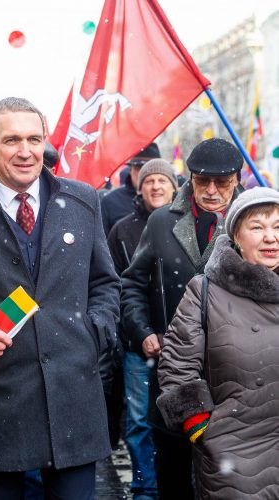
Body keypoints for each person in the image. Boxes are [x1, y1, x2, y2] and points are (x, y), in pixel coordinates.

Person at [0, 97, 121, 499]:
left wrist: (95, 332)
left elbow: (106, 283)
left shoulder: (83, 202)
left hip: (73, 396)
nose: (25, 151)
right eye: (12, 140)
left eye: (34, 139)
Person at [120, 137, 244, 499]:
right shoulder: (161, 221)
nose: (211, 190)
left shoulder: (254, 221)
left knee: (229, 477)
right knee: (173, 472)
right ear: (190, 177)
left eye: (222, 182)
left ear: (237, 179)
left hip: (234, 372)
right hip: (174, 369)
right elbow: (131, 282)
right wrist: (142, 330)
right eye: (202, 180)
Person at [157, 187, 279, 499]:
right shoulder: (205, 291)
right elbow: (177, 366)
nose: (270, 237)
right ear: (236, 236)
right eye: (257, 227)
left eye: (278, 227)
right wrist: (201, 429)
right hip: (234, 458)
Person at [107, 159, 178, 500]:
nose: (155, 187)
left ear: (174, 186)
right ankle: (144, 488)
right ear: (140, 186)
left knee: (181, 419)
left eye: (162, 180)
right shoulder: (122, 229)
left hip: (184, 346)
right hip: (139, 345)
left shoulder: (186, 227)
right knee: (138, 422)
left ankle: (175, 483)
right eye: (149, 180)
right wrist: (141, 332)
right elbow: (118, 286)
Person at [100, 143, 161, 236]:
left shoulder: (171, 201)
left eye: (149, 169)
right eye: (138, 168)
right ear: (130, 170)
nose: (143, 174)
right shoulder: (110, 202)